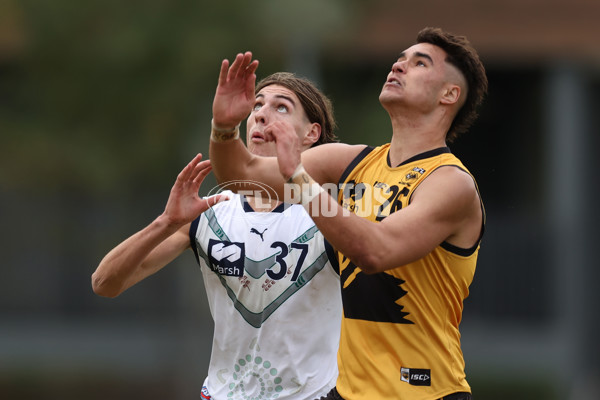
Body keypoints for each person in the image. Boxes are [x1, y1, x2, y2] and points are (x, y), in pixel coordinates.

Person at [208, 27, 488, 400]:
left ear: (449, 94)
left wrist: (301, 180)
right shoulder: (352, 161)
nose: (400, 66)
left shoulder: (450, 183)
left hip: (425, 392)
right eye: (400, 58)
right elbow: (240, 176)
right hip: (348, 392)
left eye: (419, 63)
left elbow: (376, 252)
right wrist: (225, 127)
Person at [92, 72, 342, 400]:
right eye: (257, 105)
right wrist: (166, 222)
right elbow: (105, 283)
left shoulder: (333, 212)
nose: (262, 114)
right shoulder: (212, 212)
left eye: (281, 107)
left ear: (312, 133)